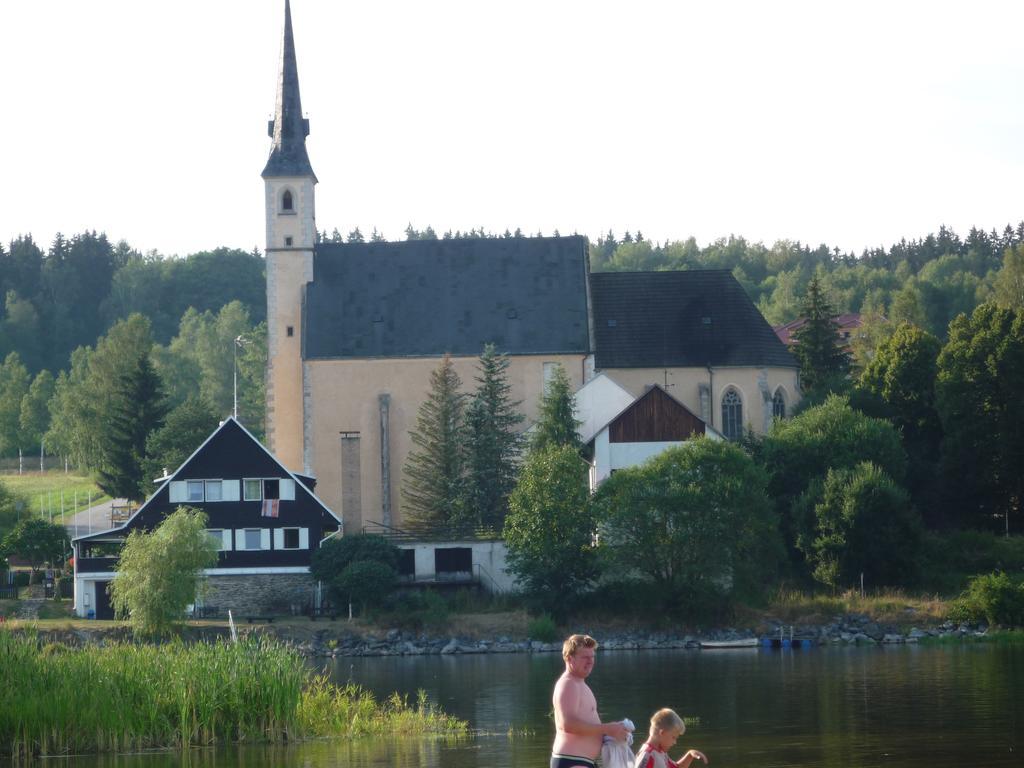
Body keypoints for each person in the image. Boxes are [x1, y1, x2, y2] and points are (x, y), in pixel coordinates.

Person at [551, 634, 631, 768]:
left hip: (582, 761)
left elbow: (586, 724)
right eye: (585, 657)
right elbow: (568, 724)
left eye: (592, 657)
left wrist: (612, 730)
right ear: (570, 659)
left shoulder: (579, 684)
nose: (590, 661)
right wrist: (607, 729)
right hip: (572, 761)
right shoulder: (568, 684)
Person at [634, 708, 708, 768]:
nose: (674, 742)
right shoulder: (647, 755)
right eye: (673, 737)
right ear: (662, 733)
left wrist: (689, 755)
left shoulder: (661, 752)